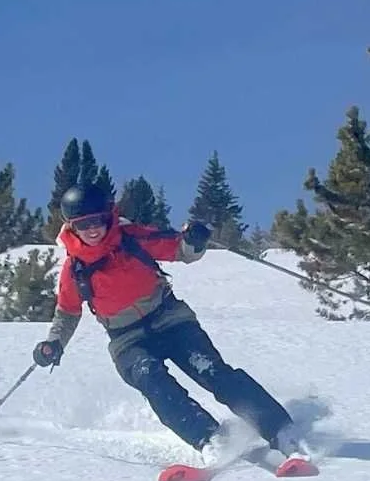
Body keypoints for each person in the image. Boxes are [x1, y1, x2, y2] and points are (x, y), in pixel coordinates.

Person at [31, 182, 301, 457]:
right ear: (71, 227)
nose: (92, 229)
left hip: (171, 321)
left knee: (211, 371)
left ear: (108, 216)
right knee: (153, 381)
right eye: (83, 223)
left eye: (97, 220)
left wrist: (193, 240)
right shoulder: (75, 268)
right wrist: (54, 343)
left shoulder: (130, 238)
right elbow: (67, 312)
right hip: (127, 339)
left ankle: (280, 429)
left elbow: (180, 249)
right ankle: (210, 439)